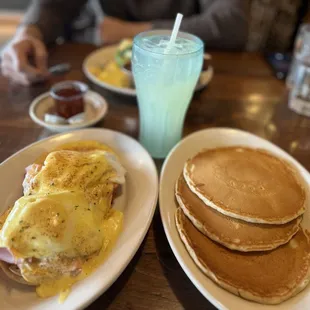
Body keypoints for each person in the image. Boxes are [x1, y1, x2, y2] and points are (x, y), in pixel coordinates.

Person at [0, 0, 248, 85]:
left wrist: (131, 33)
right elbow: (54, 5)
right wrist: (29, 32)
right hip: (88, 76)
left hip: (180, 78)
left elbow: (232, 21)